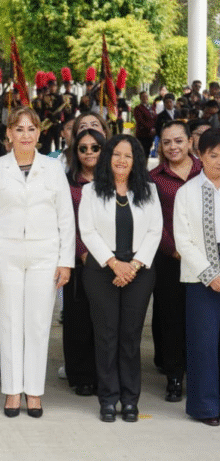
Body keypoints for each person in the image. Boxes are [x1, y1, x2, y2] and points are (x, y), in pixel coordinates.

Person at [0, 106, 74, 418]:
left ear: (39, 133)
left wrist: (65, 261)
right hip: (5, 254)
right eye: (19, 129)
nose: (25, 135)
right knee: (8, 323)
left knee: (38, 324)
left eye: (31, 129)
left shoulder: (53, 168)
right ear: (9, 133)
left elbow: (65, 217)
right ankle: (11, 391)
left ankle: (33, 391)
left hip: (44, 255)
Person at [79, 134, 162, 423]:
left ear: (136, 160)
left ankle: (129, 400)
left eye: (128, 155)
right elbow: (87, 231)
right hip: (102, 270)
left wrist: (133, 266)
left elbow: (155, 230)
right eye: (116, 154)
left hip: (139, 272)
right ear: (107, 157)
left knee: (130, 337)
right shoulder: (91, 191)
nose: (122, 160)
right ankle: (108, 399)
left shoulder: (149, 190)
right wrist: (115, 264)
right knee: (106, 336)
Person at [149, 121, 202, 402]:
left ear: (190, 142)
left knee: (201, 317)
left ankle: (200, 373)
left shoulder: (205, 170)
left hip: (204, 257)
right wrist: (174, 249)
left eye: (179, 140)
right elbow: (152, 220)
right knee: (171, 317)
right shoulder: (154, 178)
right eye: (167, 142)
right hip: (169, 258)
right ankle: (173, 376)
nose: (173, 147)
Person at [174, 129, 220, 426]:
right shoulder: (187, 192)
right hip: (200, 276)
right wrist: (210, 274)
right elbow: (183, 240)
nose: (219, 161)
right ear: (200, 155)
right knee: (204, 343)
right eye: (213, 155)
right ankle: (206, 407)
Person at [64, 129, 106, 397]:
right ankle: (81, 376)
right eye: (83, 148)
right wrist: (82, 252)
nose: (89, 152)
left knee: (104, 322)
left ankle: (104, 375)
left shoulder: (113, 179)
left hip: (110, 259)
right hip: (79, 259)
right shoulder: (67, 182)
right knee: (78, 321)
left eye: (94, 147)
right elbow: (64, 221)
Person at [134, 92, 157, 157]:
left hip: (150, 134)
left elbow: (155, 118)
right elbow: (140, 121)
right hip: (142, 134)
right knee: (141, 152)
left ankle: (145, 163)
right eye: (143, 96)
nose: (145, 98)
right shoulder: (138, 108)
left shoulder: (151, 107)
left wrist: (155, 128)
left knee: (147, 151)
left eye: (146, 96)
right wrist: (150, 128)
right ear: (140, 98)